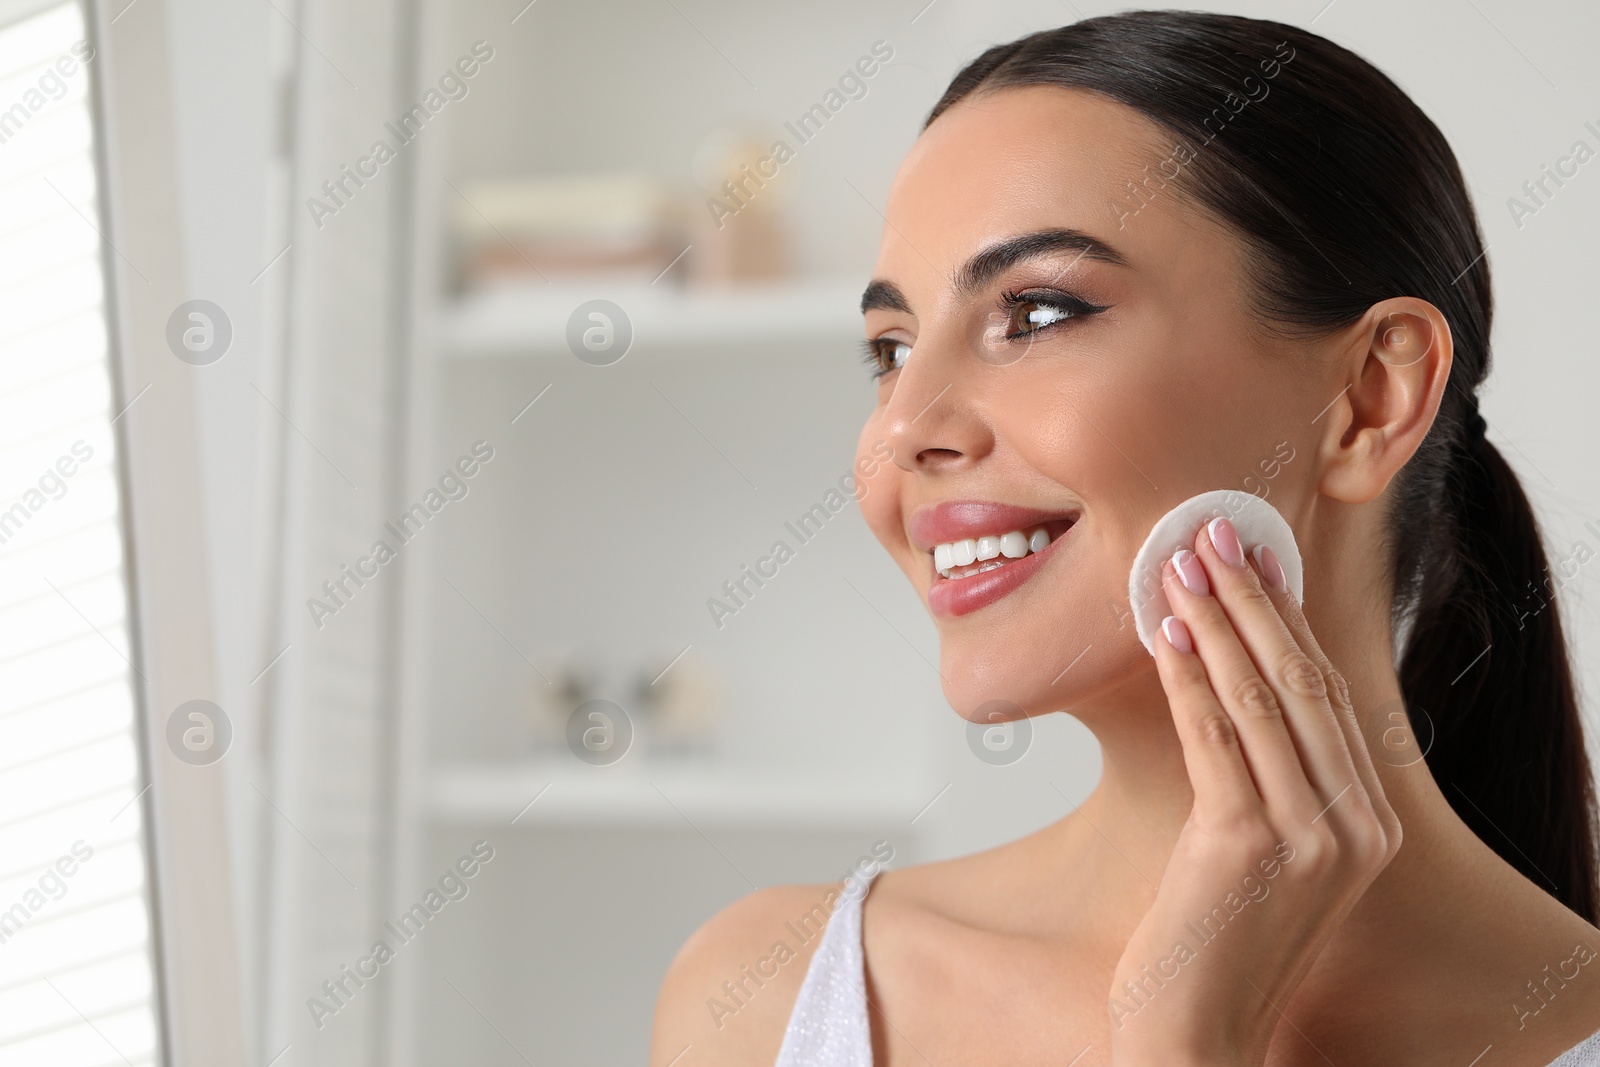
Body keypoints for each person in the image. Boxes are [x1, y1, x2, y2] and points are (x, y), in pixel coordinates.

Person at [652, 11, 1600, 1065]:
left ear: (1370, 398)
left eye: (1038, 314)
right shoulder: (770, 993)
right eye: (890, 348)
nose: (902, 429)